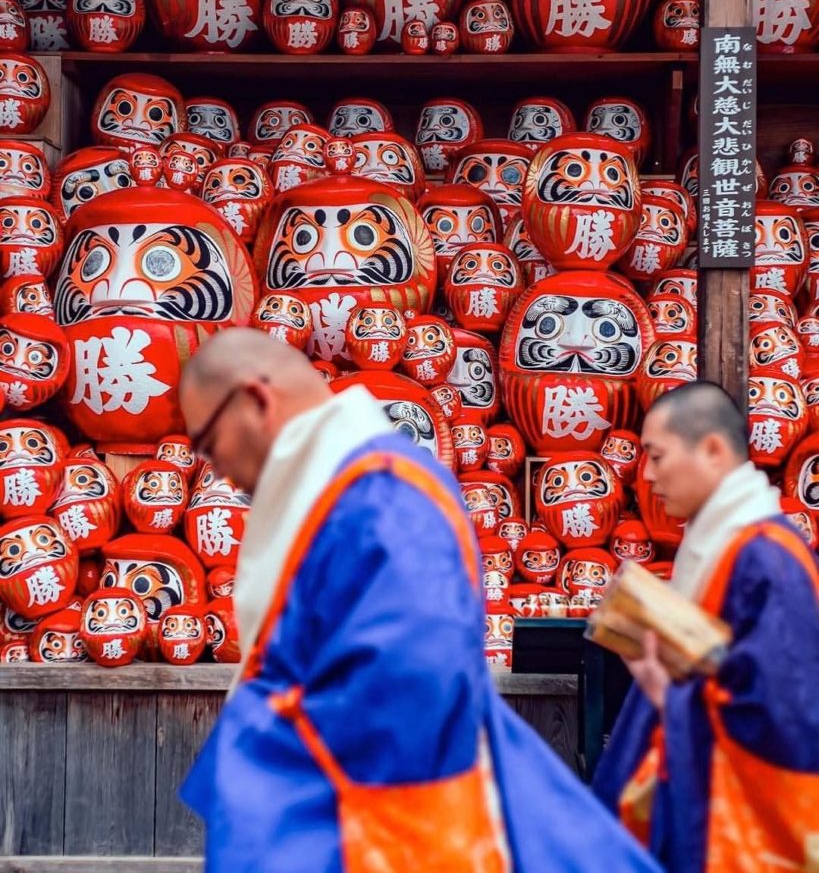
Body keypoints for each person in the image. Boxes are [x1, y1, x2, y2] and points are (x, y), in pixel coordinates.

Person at [178, 328, 658, 872]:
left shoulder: (381, 493)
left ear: (256, 401)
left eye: (208, 443)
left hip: (384, 831)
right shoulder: (348, 489)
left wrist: (266, 751)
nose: (213, 467)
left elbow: (410, 691)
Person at [593, 381, 819, 872]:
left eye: (657, 455)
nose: (647, 475)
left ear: (713, 450)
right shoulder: (731, 545)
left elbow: (785, 714)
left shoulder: (767, 559)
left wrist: (667, 695)